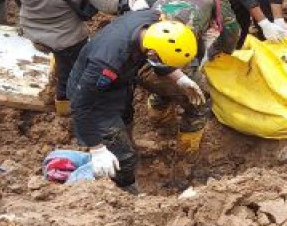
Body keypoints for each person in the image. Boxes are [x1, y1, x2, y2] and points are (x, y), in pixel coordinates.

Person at [67, 13, 199, 191]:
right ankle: (125, 190)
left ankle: (124, 149)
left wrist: (180, 78)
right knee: (123, 158)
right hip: (94, 99)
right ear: (151, 53)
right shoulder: (106, 62)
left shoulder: (152, 23)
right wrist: (96, 148)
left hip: (119, 83)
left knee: (126, 118)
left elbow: (161, 57)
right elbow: (80, 105)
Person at [144, 0, 240, 154]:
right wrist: (221, 52)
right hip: (176, 57)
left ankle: (158, 119)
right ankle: (186, 152)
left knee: (163, 85)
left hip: (144, 59)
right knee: (200, 102)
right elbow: (231, 30)